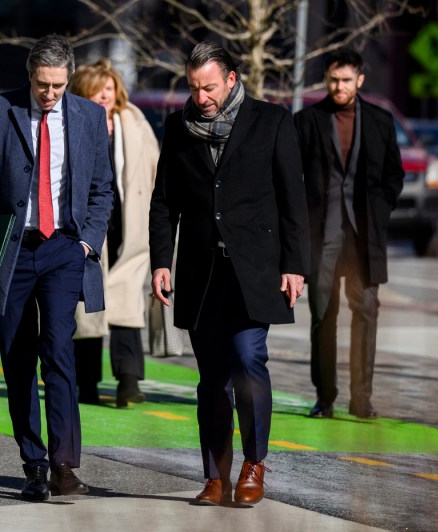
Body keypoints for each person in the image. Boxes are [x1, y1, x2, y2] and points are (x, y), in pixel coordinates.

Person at [149, 42, 309, 506]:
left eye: (210, 87)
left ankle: (254, 463)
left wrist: (294, 265)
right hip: (201, 274)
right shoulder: (178, 128)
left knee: (248, 359)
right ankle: (216, 476)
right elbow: (165, 202)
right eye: (194, 88)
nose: (201, 97)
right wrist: (162, 261)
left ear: (232, 79)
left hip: (254, 271)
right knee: (212, 379)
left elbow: (292, 200)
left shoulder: (271, 121)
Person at [0, 34, 113, 501]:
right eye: (42, 85)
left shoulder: (89, 117)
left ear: (68, 79)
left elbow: (103, 190)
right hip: (12, 251)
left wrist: (88, 243)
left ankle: (65, 463)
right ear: (30, 77)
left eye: (58, 86)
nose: (49, 94)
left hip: (65, 249)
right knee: (18, 360)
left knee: (59, 350)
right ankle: (34, 463)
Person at [293, 47, 405, 420]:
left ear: (359, 80)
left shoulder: (380, 122)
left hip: (364, 236)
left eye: (345, 80)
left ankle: (362, 399)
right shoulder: (307, 121)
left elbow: (394, 176)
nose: (339, 86)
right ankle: (324, 398)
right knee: (323, 315)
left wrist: (381, 211)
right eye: (333, 80)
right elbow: (292, 179)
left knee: (367, 311)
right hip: (321, 234)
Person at [68, 59, 159, 407]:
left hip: (130, 225)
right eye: (97, 89)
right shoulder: (74, 122)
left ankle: (129, 382)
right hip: (90, 227)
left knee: (128, 305)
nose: (105, 95)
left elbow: (153, 167)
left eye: (109, 89)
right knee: (88, 309)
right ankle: (86, 384)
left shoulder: (134, 122)